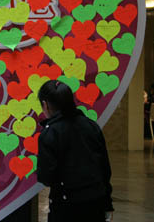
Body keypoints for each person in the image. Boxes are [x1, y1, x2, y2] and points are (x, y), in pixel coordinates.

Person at [36, 80, 114, 222]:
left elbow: (46, 176)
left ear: (45, 104)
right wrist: (107, 203)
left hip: (66, 207)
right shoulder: (92, 126)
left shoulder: (50, 133)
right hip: (96, 203)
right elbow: (104, 169)